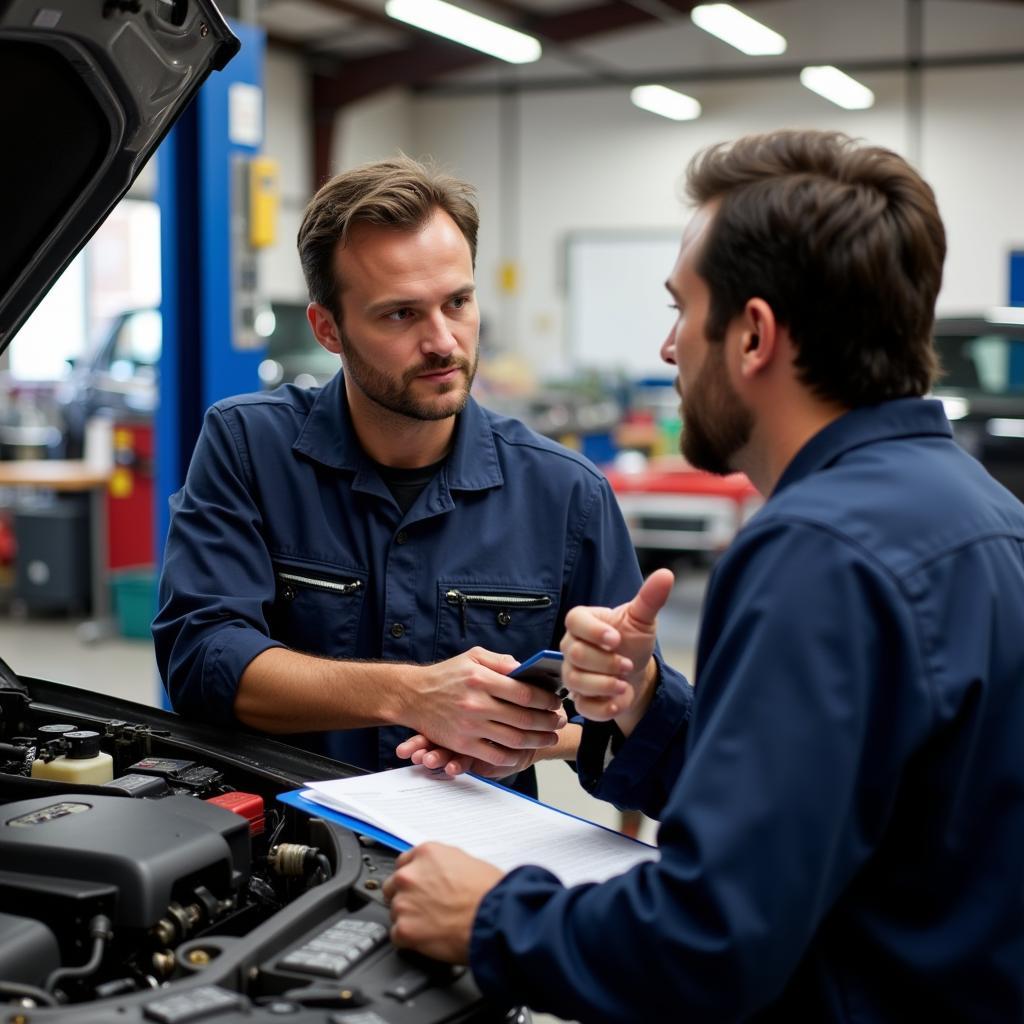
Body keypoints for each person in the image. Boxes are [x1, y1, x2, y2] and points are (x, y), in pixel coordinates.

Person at [383, 130, 1024, 1021]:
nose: (668, 347)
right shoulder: (983, 514)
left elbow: (711, 944)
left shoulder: (819, 550)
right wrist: (642, 702)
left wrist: (488, 915)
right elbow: (814, 819)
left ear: (754, 334)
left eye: (684, 308)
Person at [153, 156, 685, 797]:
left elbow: (630, 732)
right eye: (400, 314)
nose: (444, 341)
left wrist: (513, 737)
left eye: (457, 302)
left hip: (478, 861)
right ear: (328, 328)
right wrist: (413, 694)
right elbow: (203, 661)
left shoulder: (565, 493)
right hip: (293, 848)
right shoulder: (249, 448)